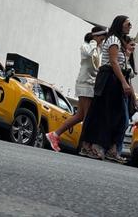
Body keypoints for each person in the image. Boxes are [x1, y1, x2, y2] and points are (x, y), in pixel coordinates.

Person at [45, 25, 107, 153]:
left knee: (80, 116)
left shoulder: (98, 49)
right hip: (85, 84)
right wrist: (94, 41)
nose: (104, 39)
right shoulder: (86, 46)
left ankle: (55, 135)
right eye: (103, 36)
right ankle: (85, 145)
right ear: (96, 36)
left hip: (91, 84)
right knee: (88, 116)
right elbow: (89, 53)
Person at [81, 15, 132, 162]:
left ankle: (108, 148)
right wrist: (123, 82)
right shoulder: (114, 40)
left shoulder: (119, 42)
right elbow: (114, 62)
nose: (130, 26)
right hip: (110, 78)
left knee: (114, 116)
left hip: (113, 78)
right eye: (128, 24)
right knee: (111, 115)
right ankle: (98, 147)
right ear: (120, 24)